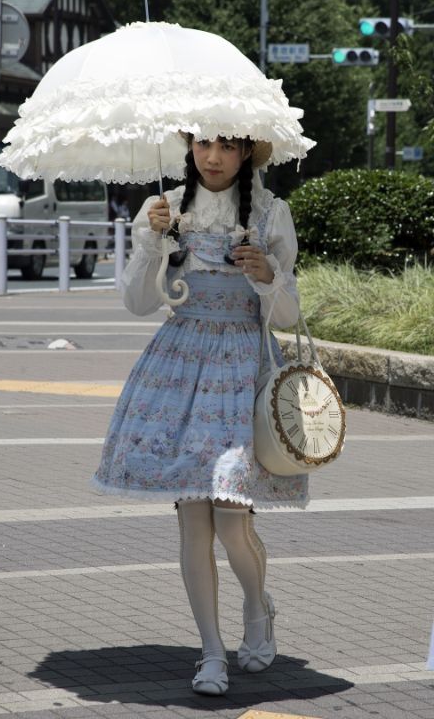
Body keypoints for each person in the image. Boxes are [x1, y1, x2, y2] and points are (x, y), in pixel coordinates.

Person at [91, 133, 308, 696]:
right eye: (203, 144)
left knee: (234, 524)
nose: (213, 158)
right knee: (193, 521)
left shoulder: (270, 213)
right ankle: (211, 652)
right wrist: (151, 241)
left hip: (242, 371)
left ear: (247, 154)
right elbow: (138, 303)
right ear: (189, 148)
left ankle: (258, 611)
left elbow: (288, 314)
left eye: (227, 147)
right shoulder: (161, 210)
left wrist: (267, 276)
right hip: (179, 373)